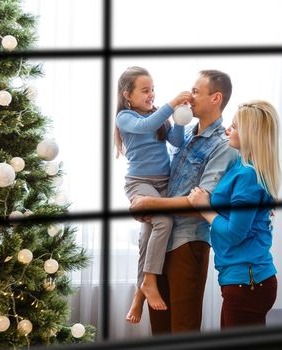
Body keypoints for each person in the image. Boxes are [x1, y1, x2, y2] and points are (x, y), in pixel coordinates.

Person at [130, 69, 238, 333]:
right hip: (163, 243)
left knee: (183, 330)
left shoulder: (223, 145)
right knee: (161, 330)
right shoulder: (186, 134)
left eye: (197, 91)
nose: (190, 96)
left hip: (188, 244)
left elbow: (201, 203)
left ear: (216, 98)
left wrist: (150, 205)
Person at [188, 100, 280, 329]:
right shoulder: (241, 167)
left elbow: (234, 234)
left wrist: (205, 208)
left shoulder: (248, 176)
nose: (228, 130)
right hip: (244, 281)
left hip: (248, 282)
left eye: (235, 126)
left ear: (251, 134)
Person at [114, 66, 192, 324]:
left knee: (147, 236)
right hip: (140, 184)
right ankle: (149, 281)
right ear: (128, 94)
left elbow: (177, 142)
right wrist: (171, 104)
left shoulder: (159, 115)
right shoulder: (125, 117)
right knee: (164, 221)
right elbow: (147, 124)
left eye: (153, 89)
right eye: (145, 90)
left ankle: (139, 296)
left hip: (163, 184)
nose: (151, 94)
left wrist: (180, 120)